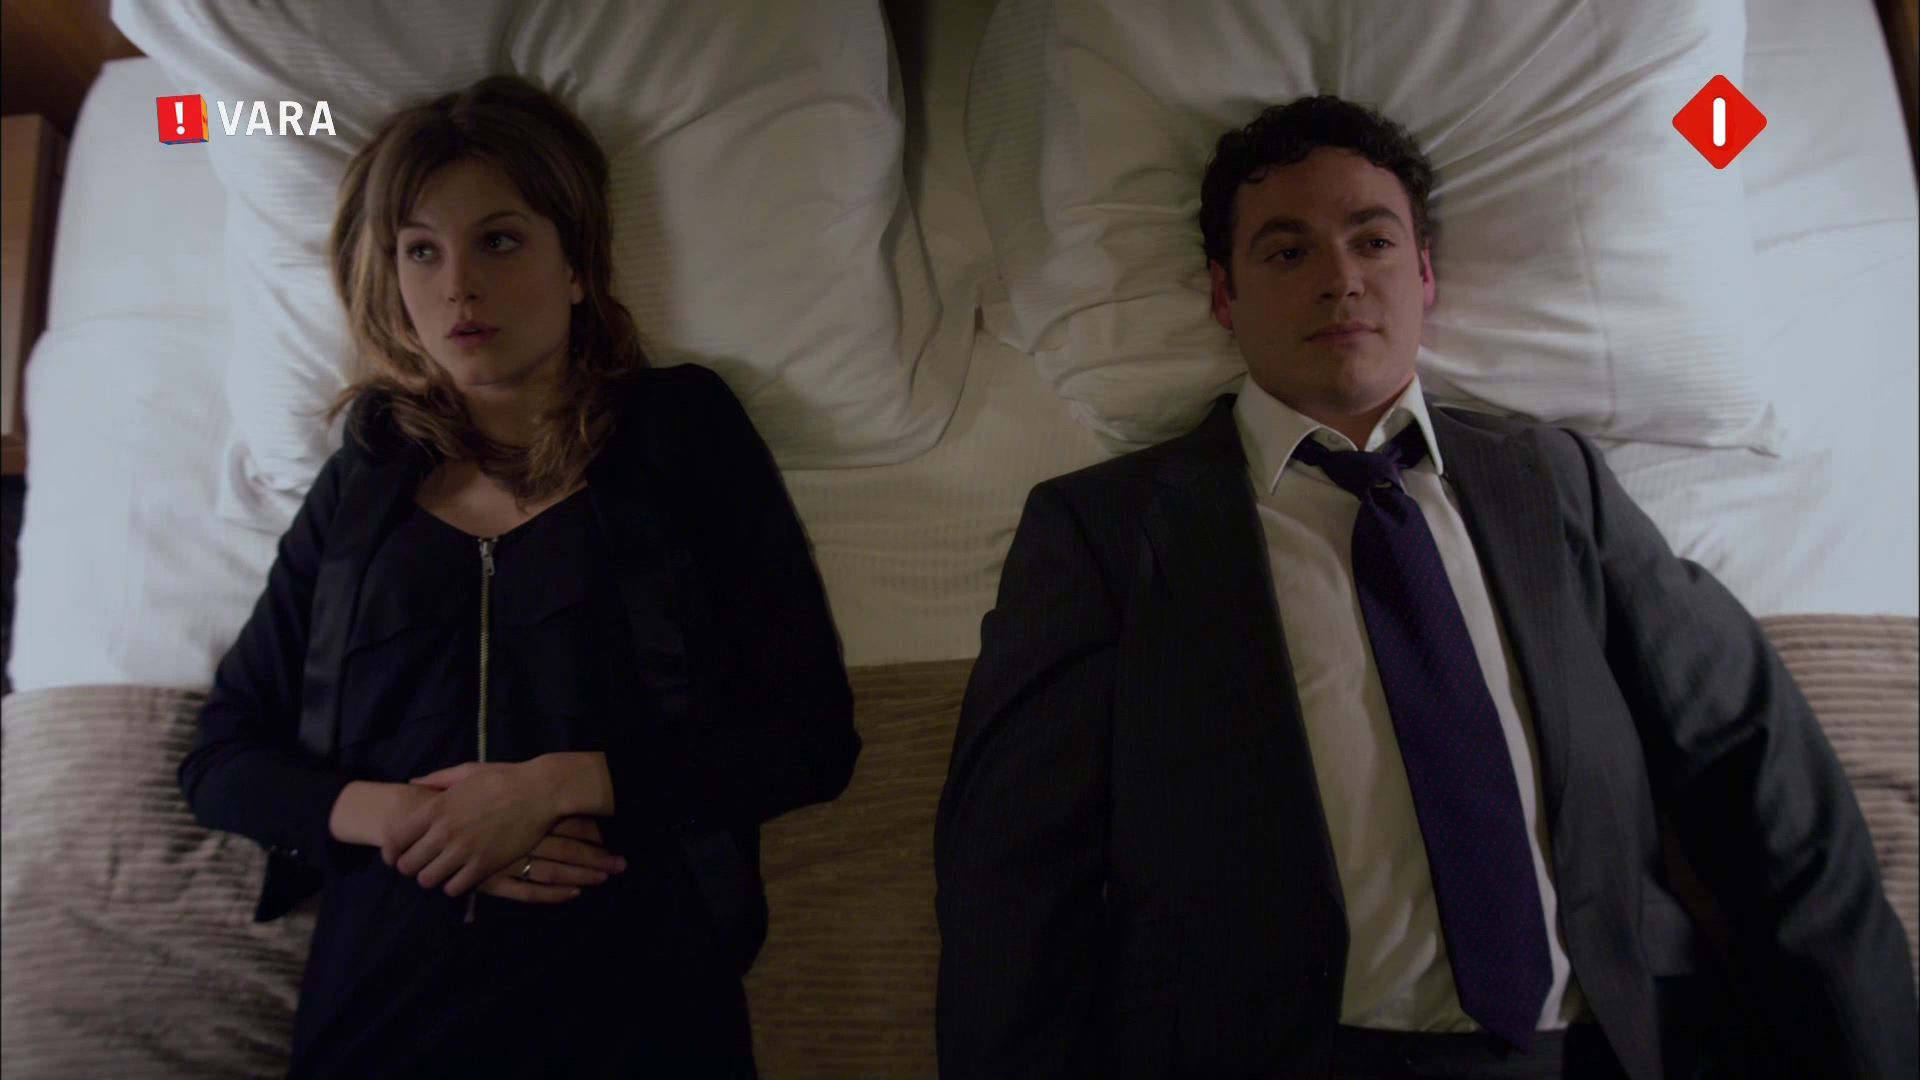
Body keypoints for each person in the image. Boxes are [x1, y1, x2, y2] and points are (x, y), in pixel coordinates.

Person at [934, 95, 1915, 1079]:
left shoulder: (1554, 482)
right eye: (1288, 252)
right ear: (1223, 296)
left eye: (1374, 241)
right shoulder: (1106, 533)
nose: (1341, 279)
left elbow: (1757, 765)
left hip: (1603, 1046)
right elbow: (1011, 876)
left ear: (1426, 275)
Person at [180, 74, 859, 1078]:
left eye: (499, 240)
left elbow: (811, 741)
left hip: (637, 994)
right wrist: (410, 819)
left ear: (577, 265)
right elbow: (221, 760)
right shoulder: (364, 479)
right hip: (387, 1000)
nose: (458, 286)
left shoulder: (683, 434)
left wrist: (563, 786)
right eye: (421, 251)